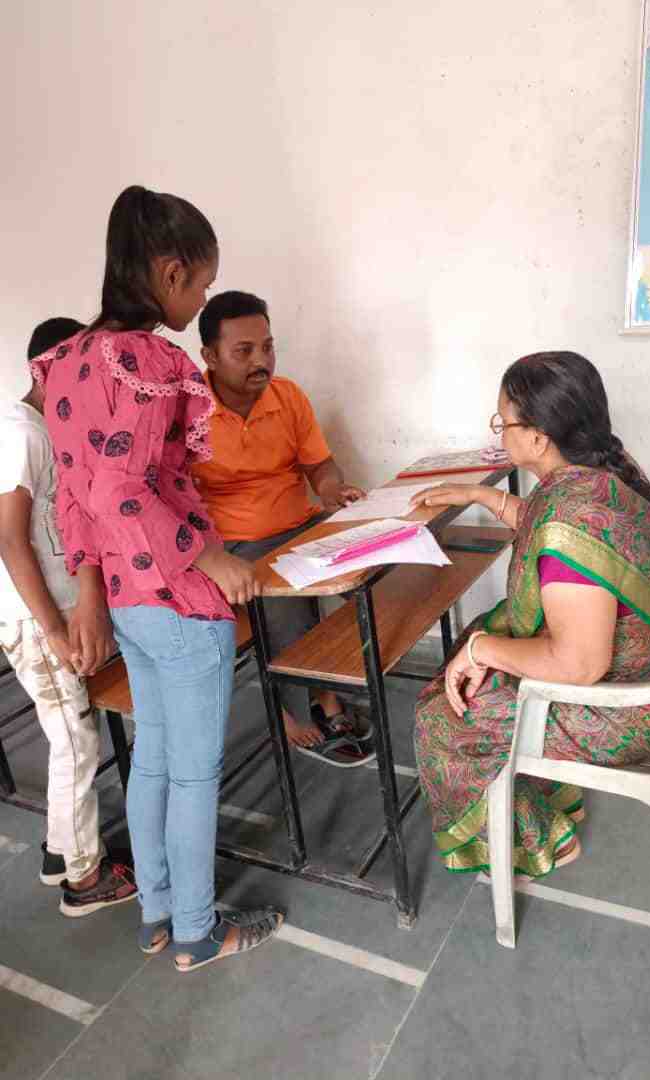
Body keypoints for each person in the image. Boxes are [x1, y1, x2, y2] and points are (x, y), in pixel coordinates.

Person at [31, 186, 282, 971]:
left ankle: (157, 914)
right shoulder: (147, 361)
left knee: (155, 762)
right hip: (180, 595)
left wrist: (89, 593)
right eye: (202, 283)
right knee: (196, 775)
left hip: (129, 604)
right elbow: (124, 487)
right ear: (171, 272)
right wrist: (210, 557)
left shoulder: (67, 360)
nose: (203, 296)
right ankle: (200, 932)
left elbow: (77, 499)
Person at [410, 351, 650, 877]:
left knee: (443, 716)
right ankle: (541, 797)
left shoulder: (570, 525)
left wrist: (479, 651)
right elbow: (547, 521)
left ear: (536, 438)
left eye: (501, 422)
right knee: (481, 640)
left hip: (643, 708)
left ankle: (541, 840)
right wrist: (478, 494)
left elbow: (578, 666)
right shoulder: (599, 474)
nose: (497, 432)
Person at [192, 290, 373, 766]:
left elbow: (320, 465)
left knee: (369, 569)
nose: (261, 361)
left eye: (268, 347)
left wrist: (333, 489)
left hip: (299, 521)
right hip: (237, 540)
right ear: (209, 356)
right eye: (244, 351)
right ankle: (298, 707)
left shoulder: (287, 395)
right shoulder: (188, 412)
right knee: (283, 591)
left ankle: (328, 682)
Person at [0, 316, 137, 914]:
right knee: (74, 740)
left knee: (72, 732)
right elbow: (9, 540)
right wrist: (54, 628)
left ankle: (63, 849)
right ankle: (85, 880)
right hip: (34, 617)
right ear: (45, 370)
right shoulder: (18, 432)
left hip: (47, 609)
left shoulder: (41, 430)